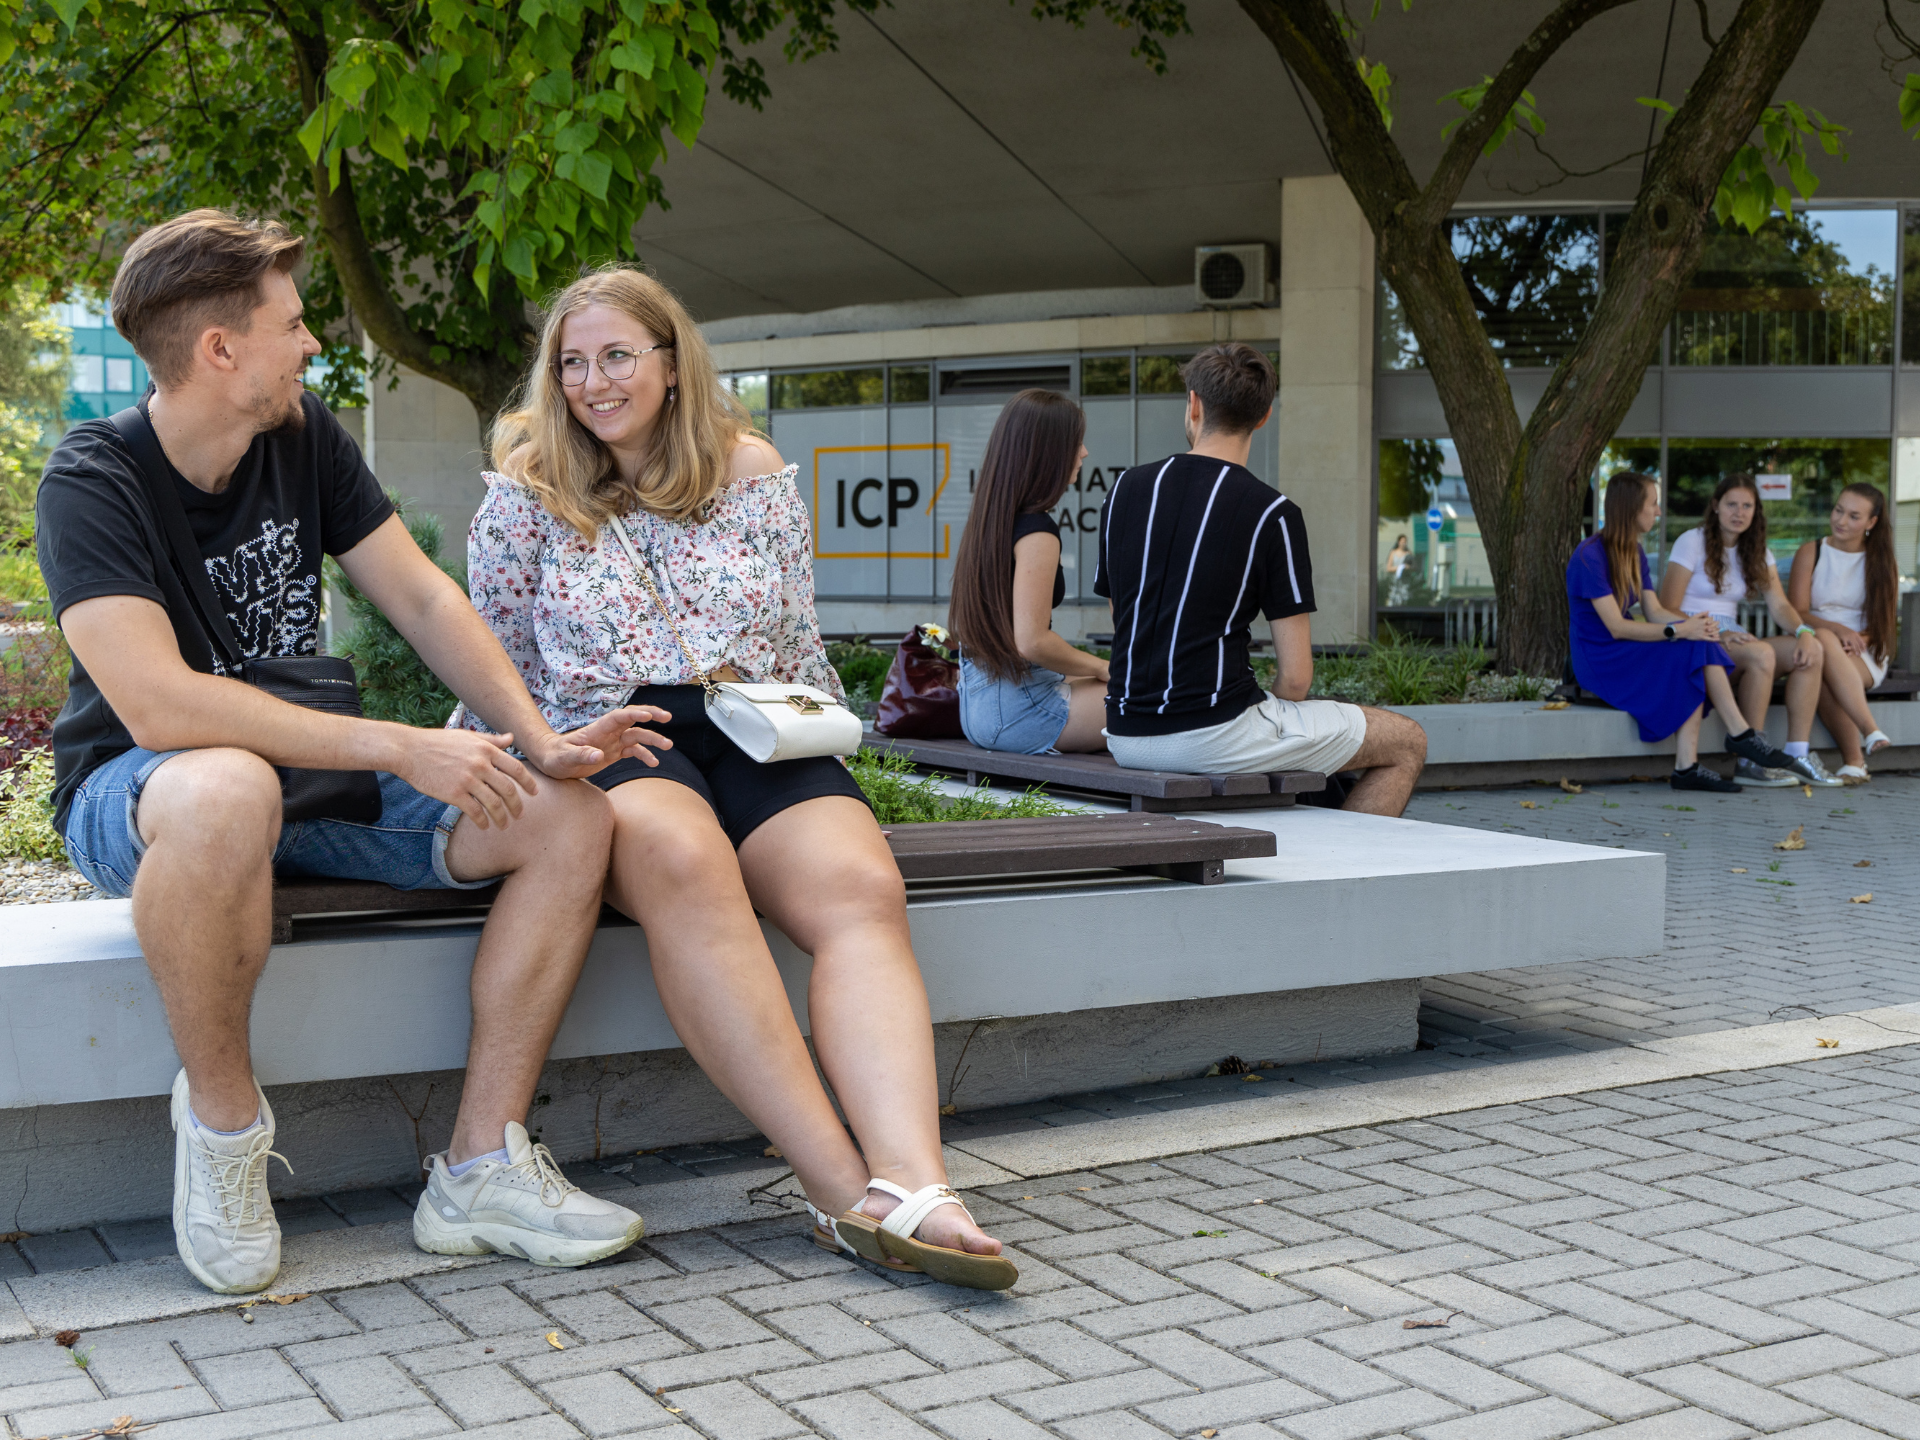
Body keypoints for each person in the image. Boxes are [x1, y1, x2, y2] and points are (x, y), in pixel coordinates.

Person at [35, 211, 671, 1296]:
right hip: (142, 801)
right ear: (219, 349)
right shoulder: (92, 478)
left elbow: (421, 597)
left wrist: (536, 739)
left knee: (570, 819)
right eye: (292, 324)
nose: (313, 344)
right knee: (225, 787)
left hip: (309, 785)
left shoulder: (305, 437)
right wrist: (398, 743)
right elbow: (156, 708)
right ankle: (227, 1129)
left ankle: (478, 1165)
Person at [461, 265, 1016, 1290]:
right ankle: (844, 1193)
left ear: (671, 364)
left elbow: (795, 636)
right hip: (617, 734)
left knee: (861, 887)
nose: (593, 381)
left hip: (753, 723)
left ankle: (916, 1180)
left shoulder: (751, 470)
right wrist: (538, 751)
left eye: (617, 355)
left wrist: (822, 748)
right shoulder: (528, 492)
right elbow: (488, 660)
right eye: (572, 362)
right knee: (687, 863)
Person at [1095, 343, 1427, 816]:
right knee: (1407, 741)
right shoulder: (1274, 514)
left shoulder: (1124, 490)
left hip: (1125, 733)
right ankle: (1344, 873)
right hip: (1216, 732)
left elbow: (1125, 620)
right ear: (1264, 416)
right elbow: (1295, 679)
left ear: (1193, 404)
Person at [1569, 472, 1797, 792]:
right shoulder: (1589, 555)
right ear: (1631, 508)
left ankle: (1691, 765)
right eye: (1653, 503)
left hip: (1624, 648)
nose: (1658, 511)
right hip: (1600, 656)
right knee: (1690, 644)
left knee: (1699, 641)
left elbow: (1655, 610)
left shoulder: (1633, 552)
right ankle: (1737, 739)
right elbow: (1616, 627)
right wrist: (1677, 632)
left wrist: (1693, 627)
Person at [948, 390, 1109, 754]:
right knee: (1153, 697)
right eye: (1076, 442)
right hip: (1022, 714)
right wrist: (1104, 667)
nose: (1084, 452)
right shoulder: (1038, 531)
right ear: (1048, 451)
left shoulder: (991, 521)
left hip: (979, 711)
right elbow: (1033, 642)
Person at [1656, 474, 1842, 787]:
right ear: (1715, 505)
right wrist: (1719, 633)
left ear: (1756, 511)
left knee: (1811, 651)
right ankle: (1749, 760)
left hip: (1734, 637)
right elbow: (1666, 606)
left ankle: (1797, 753)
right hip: (1696, 636)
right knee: (1761, 653)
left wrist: (1804, 632)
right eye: (1731, 504)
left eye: (1747, 506)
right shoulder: (1692, 541)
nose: (1739, 512)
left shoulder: (1755, 550)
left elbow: (1780, 606)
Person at [1787, 483, 1897, 781]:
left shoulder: (1880, 561)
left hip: (1862, 651)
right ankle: (1866, 737)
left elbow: (1883, 623)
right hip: (1815, 638)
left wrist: (1858, 639)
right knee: (1820, 647)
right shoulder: (1813, 551)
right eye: (1838, 510)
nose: (1841, 521)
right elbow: (1798, 611)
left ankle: (1856, 757)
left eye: (1853, 516)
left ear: (1871, 523)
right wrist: (1836, 632)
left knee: (1822, 656)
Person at [1386, 534, 1412, 606]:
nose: (1404, 543)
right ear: (1399, 542)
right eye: (1402, 541)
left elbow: (1414, 567)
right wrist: (1398, 567)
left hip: (1405, 584)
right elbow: (1388, 568)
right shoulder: (1393, 553)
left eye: (1405, 542)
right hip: (1394, 584)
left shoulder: (1408, 554)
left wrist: (1407, 567)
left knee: (1404, 603)